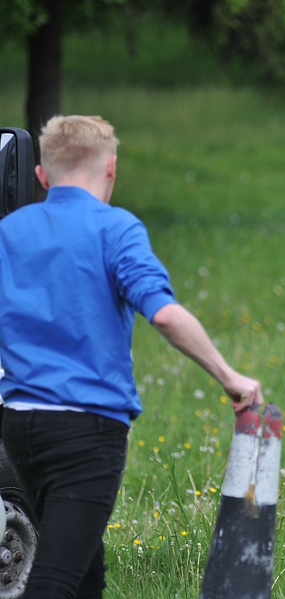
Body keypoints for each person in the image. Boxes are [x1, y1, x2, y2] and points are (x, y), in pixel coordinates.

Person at [0, 115, 265, 598]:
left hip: (19, 425)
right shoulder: (115, 227)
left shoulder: (10, 230)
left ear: (42, 176)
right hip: (86, 428)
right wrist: (230, 377)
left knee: (85, 570)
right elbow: (163, 315)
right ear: (111, 170)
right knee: (56, 577)